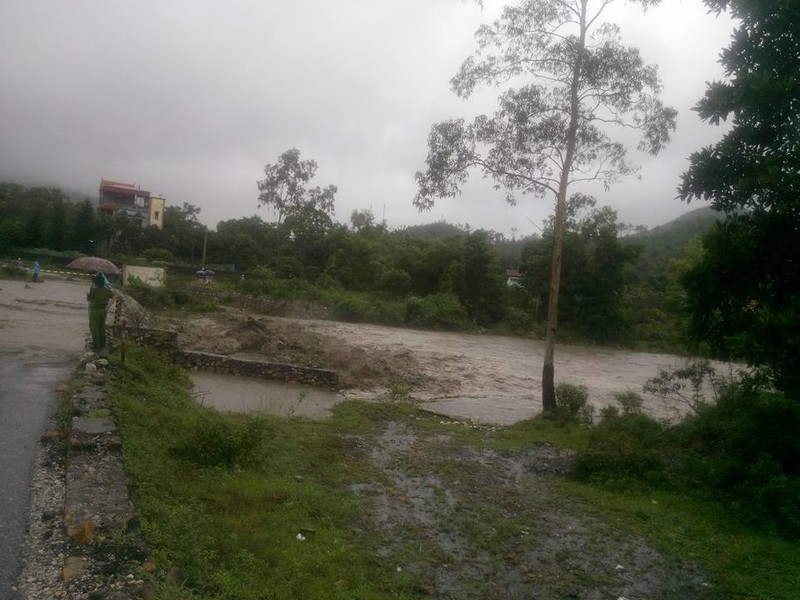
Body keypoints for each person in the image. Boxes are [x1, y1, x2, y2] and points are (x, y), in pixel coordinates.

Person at [87, 272, 115, 352]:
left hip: (95, 310)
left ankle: (97, 345)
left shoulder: (94, 290)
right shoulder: (107, 290)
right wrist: (109, 305)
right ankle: (103, 343)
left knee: (94, 327)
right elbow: (115, 296)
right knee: (101, 326)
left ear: (96, 282)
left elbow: (89, 299)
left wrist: (90, 289)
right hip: (104, 310)